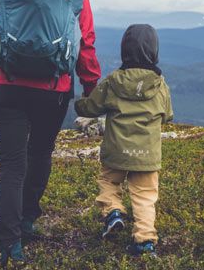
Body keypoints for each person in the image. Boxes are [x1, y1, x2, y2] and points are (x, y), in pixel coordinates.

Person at [0, 0, 101, 265]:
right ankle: (27, 220)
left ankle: (9, 241)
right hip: (54, 88)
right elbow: (85, 39)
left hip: (6, 84)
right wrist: (90, 84)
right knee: (41, 152)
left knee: (11, 166)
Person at [74, 24, 173, 257]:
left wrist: (80, 102)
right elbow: (167, 115)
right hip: (147, 156)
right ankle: (145, 241)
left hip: (116, 152)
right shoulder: (160, 85)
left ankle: (113, 212)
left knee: (109, 182)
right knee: (145, 197)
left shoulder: (113, 81)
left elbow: (90, 107)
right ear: (154, 50)